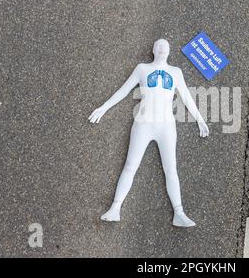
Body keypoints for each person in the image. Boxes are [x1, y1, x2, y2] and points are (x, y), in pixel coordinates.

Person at [89, 39, 209, 227]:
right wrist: (103, 108)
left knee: (171, 170)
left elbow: (186, 97)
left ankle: (179, 213)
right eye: (159, 45)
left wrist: (200, 119)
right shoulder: (142, 69)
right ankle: (115, 208)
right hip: (143, 124)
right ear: (153, 50)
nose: (162, 47)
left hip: (166, 126)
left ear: (169, 52)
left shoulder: (175, 72)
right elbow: (124, 90)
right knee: (130, 166)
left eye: (165, 46)